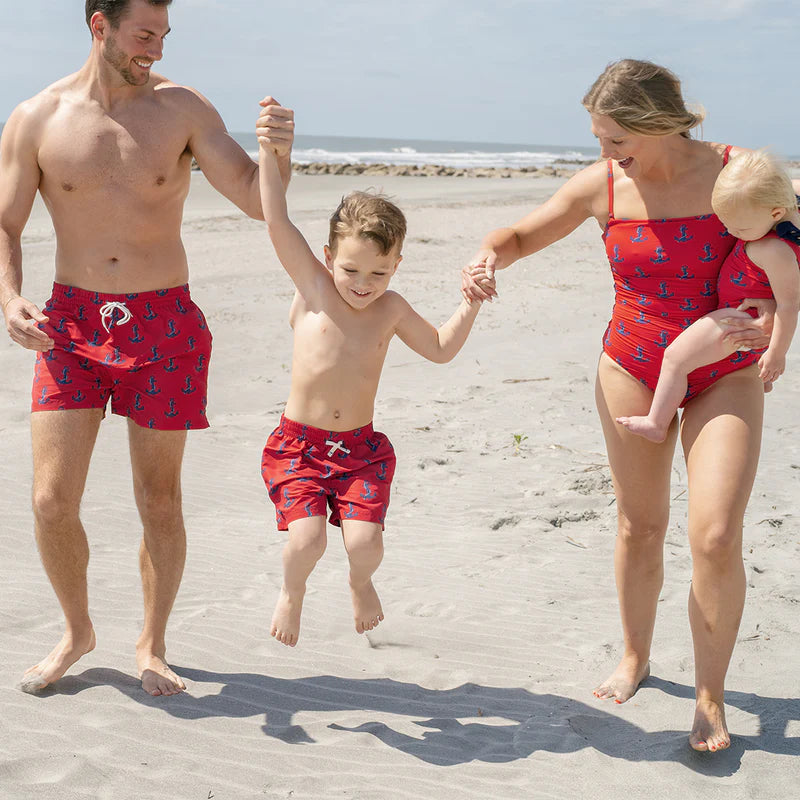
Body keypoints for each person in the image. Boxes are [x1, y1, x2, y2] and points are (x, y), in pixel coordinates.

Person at [461, 59, 786, 753]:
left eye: (614, 140)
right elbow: (519, 235)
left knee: (716, 535)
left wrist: (774, 311)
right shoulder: (603, 186)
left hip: (725, 370)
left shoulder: (736, 172)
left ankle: (709, 695)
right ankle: (636, 656)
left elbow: (790, 236)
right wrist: (487, 257)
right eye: (599, 140)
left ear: (658, 125)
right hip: (632, 366)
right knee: (641, 525)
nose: (604, 155)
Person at [0, 0, 294, 696]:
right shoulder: (36, 118)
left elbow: (258, 199)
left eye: (163, 36)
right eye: (143, 34)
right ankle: (78, 630)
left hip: (165, 325)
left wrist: (278, 150)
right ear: (97, 25)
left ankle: (152, 644)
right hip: (70, 324)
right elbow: (6, 224)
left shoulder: (183, 110)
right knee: (50, 500)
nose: (156, 49)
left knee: (158, 499)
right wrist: (8, 296)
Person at [257, 128, 493, 647]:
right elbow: (276, 218)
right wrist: (271, 153)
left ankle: (360, 582)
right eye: (351, 269)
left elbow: (439, 349)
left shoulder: (390, 309)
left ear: (397, 265)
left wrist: (470, 302)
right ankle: (291, 593)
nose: (363, 283)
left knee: (364, 544)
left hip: (359, 451)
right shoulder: (314, 288)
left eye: (379, 272)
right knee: (309, 537)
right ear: (326, 257)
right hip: (299, 446)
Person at [617, 151, 800, 442]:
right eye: (725, 223)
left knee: (676, 358)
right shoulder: (786, 209)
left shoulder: (775, 251)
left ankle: (656, 423)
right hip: (741, 314)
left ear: (775, 213)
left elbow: (790, 306)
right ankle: (759, 376)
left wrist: (776, 354)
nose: (730, 231)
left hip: (737, 320)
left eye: (739, 228)